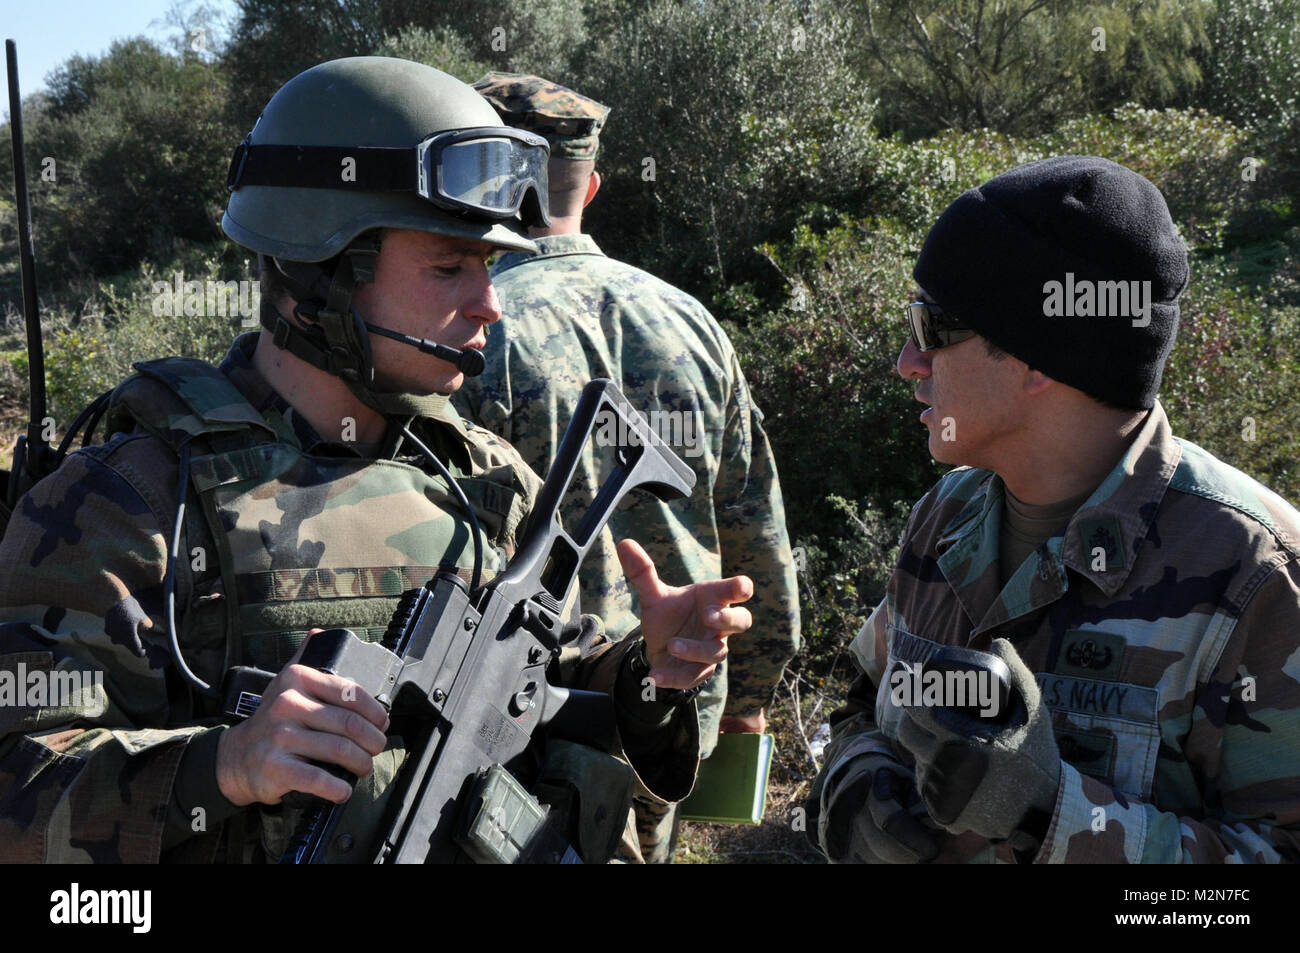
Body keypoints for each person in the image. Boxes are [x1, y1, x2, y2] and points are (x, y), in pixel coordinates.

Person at [0, 56, 754, 863]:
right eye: (448, 267)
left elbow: (556, 680)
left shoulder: (483, 479)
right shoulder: (126, 503)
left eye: (490, 267)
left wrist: (643, 669)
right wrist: (222, 765)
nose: (489, 303)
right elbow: (15, 786)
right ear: (317, 274)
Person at [807, 155, 1300, 864]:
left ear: (1042, 356)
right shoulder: (946, 518)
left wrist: (1053, 815)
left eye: (933, 325)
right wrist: (855, 787)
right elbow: (861, 703)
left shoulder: (1254, 574)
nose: (908, 362)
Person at [455, 73, 801, 861]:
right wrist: (746, 701)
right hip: (676, 706)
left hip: (539, 716)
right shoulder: (689, 318)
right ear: (595, 185)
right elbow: (757, 532)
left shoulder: (468, 334)